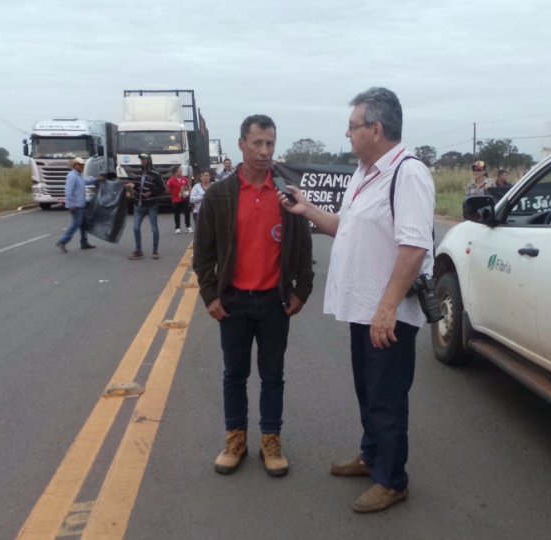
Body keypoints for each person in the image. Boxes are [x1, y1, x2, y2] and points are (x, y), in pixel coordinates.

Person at [278, 87, 435, 513]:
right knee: (368, 390)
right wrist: (308, 209)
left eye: (352, 126)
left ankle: (392, 479)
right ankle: (371, 456)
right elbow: (343, 226)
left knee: (386, 397)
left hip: (388, 313)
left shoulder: (409, 174)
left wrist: (386, 309)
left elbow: (414, 247)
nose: (346, 134)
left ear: (376, 129)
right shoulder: (364, 173)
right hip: (363, 309)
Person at [192, 114, 314, 478]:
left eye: (270, 144)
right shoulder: (220, 195)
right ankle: (236, 440)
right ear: (241, 144)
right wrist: (211, 295)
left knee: (273, 375)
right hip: (234, 303)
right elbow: (204, 254)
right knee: (234, 375)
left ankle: (271, 441)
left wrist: (302, 290)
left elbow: (304, 250)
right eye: (257, 143)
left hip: (275, 303)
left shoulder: (286, 195)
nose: (264, 151)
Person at [56, 157, 103, 253]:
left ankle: (84, 242)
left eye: (82, 165)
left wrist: (96, 179)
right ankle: (63, 241)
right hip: (76, 205)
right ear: (75, 165)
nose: (81, 166)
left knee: (83, 224)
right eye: (79, 164)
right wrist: (71, 204)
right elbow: (68, 191)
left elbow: (85, 182)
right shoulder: (72, 176)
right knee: (76, 224)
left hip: (81, 204)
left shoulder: (79, 176)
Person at [126, 153, 165, 260]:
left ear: (149, 160)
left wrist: (151, 193)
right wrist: (133, 186)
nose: (142, 161)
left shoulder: (155, 173)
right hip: (140, 204)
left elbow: (162, 188)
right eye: (141, 159)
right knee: (136, 228)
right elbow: (139, 186)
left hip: (151, 204)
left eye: (144, 159)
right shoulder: (140, 173)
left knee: (154, 229)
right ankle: (138, 250)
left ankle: (155, 250)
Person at [166, 165, 192, 233]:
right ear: (175, 173)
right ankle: (177, 227)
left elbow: (188, 186)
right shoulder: (171, 180)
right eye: (179, 171)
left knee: (187, 212)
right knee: (176, 213)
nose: (181, 172)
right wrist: (166, 189)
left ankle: (188, 226)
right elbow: (168, 190)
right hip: (176, 200)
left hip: (184, 198)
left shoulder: (184, 179)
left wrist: (189, 192)